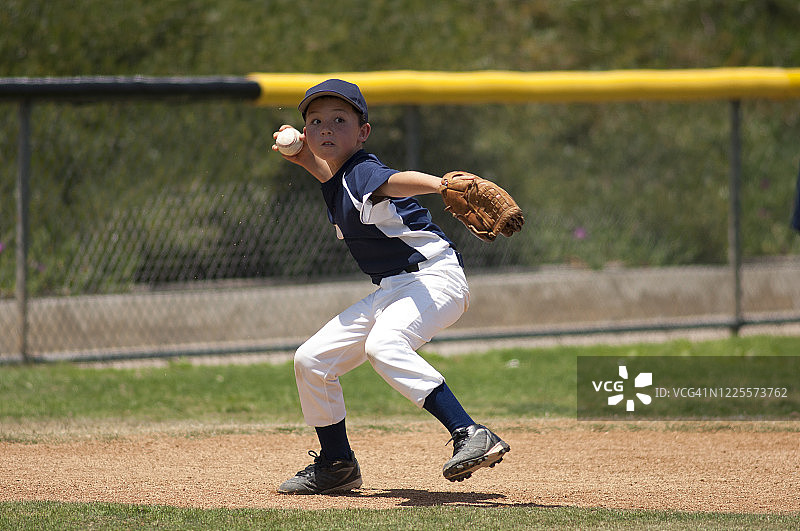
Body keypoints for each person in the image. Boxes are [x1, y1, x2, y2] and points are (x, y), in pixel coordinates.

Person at [271, 79, 510, 495]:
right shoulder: (337, 177)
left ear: (363, 133)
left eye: (339, 120)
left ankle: (471, 433)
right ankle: (337, 464)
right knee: (312, 360)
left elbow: (394, 181)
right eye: (316, 121)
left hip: (435, 277)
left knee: (384, 345)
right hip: (394, 288)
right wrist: (300, 154)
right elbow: (322, 170)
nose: (326, 128)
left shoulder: (363, 170)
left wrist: (439, 185)